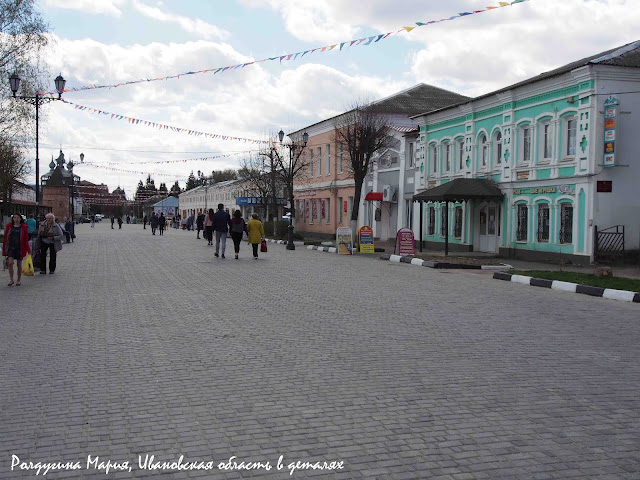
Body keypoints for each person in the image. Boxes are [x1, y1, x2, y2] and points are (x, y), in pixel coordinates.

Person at [3, 214, 31, 286]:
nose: (16, 219)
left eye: (17, 218)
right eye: (14, 218)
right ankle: (11, 279)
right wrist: (4, 248)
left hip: (20, 248)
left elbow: (25, 239)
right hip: (11, 247)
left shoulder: (24, 227)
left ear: (20, 219)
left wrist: (28, 249)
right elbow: (6, 237)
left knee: (19, 264)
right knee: (10, 262)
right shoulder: (9, 226)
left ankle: (18, 279)